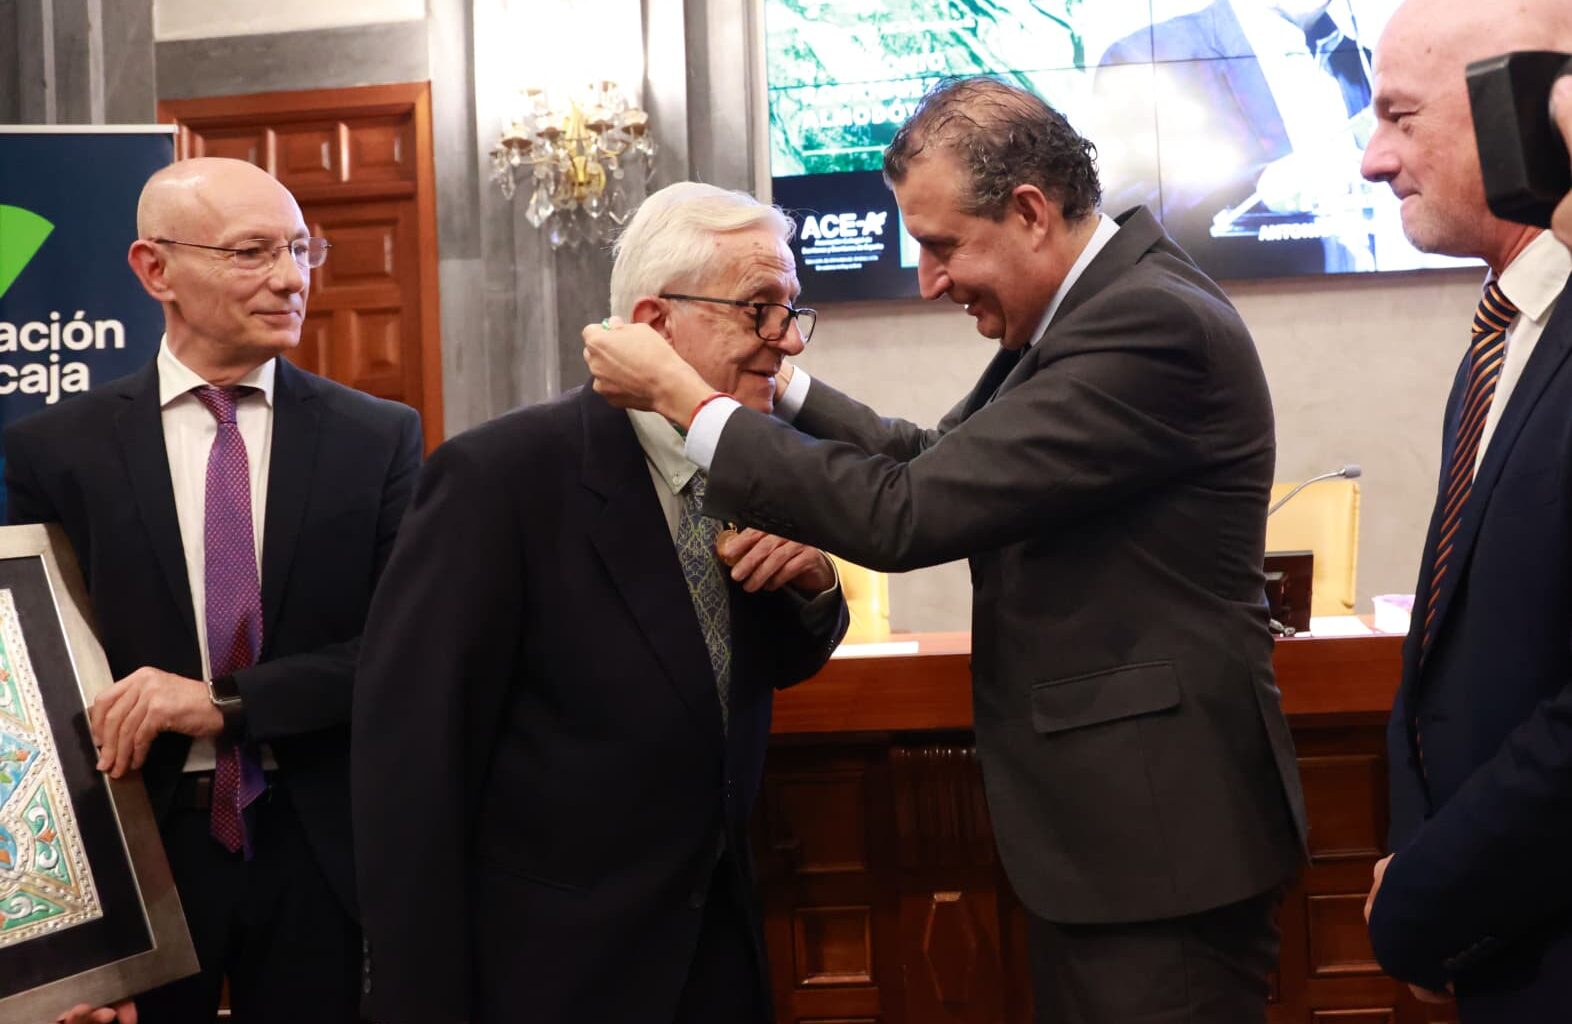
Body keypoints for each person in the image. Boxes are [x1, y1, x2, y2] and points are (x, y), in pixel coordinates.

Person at [585, 76, 1308, 1023]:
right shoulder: (1088, 311)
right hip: (1121, 843)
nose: (929, 280)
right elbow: (937, 459)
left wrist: (691, 398)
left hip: (1161, 847)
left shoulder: (1150, 324)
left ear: (1029, 212)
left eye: (939, 246)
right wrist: (782, 384)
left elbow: (908, 512)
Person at [352, 182, 848, 1024]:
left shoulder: (760, 459)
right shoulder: (500, 478)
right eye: (760, 309)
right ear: (656, 323)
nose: (786, 342)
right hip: (551, 968)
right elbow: (415, 760)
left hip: (718, 954)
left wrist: (815, 584)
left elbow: (749, 664)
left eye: (793, 311)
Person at [6, 157, 423, 1024]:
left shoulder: (377, 439)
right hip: (134, 853)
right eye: (252, 252)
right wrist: (62, 943)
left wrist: (223, 703)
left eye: (302, 249)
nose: (290, 277)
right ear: (155, 269)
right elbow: (30, 694)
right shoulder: (57, 451)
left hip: (320, 852)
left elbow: (401, 656)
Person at [1354, 1, 1572, 1019]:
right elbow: (1457, 651)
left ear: (1528, 104)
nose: (1372, 158)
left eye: (1399, 115)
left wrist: (1430, 896)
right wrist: (1424, 859)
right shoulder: (1504, 329)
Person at [1098, 0, 1377, 278]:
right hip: (1235, 313)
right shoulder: (1147, 57)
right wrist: (1259, 189)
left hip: (1380, 304)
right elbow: (1123, 220)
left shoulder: (1366, 64)